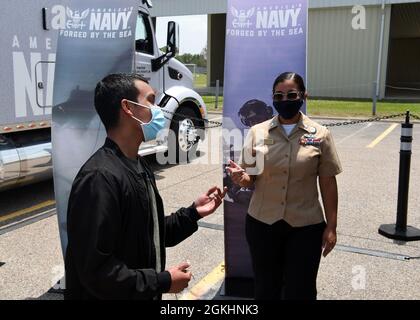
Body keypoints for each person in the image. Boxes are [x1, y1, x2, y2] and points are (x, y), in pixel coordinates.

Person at [65, 73, 227, 300]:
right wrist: (162, 282)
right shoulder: (99, 178)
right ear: (128, 108)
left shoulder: (137, 165)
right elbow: (96, 272)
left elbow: (149, 232)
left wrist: (192, 213)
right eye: (150, 100)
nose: (159, 109)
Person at [227, 72, 342, 300]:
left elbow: (328, 182)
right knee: (265, 287)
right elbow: (251, 177)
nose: (285, 100)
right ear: (273, 98)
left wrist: (331, 226)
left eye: (291, 94)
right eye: (279, 95)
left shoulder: (320, 135)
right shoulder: (257, 132)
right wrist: (241, 178)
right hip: (262, 224)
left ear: (303, 96)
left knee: (302, 289)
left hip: (306, 227)